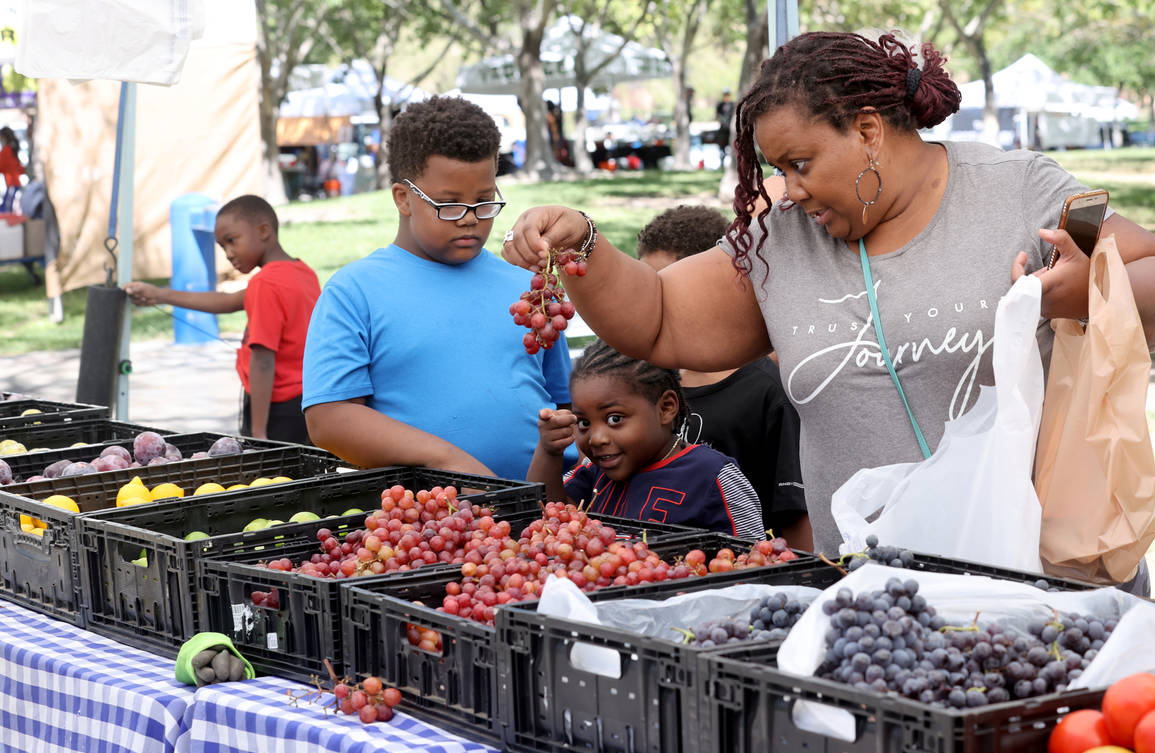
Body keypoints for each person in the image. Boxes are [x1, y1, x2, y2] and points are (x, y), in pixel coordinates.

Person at [501, 32, 1155, 595]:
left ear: (867, 131)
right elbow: (656, 319)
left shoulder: (1025, 188)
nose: (790, 190)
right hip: (873, 600)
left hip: (1041, 585)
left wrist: (1092, 291)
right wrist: (582, 240)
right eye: (778, 168)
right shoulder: (781, 239)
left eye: (800, 163)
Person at [302, 96, 572, 480]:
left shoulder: (528, 289)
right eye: (449, 205)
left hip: (541, 517)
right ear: (403, 198)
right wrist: (448, 461)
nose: (470, 220)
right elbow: (328, 419)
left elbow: (564, 402)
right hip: (427, 525)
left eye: (483, 202)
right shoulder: (354, 291)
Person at [637, 205, 812, 550]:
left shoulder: (766, 389)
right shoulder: (641, 379)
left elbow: (794, 515)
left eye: (664, 287)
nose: (650, 301)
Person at [124, 195, 321, 444]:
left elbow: (262, 360)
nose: (228, 253)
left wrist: (260, 435)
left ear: (263, 231)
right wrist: (159, 294)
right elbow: (227, 301)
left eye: (232, 241)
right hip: (307, 402)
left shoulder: (265, 283)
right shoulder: (302, 272)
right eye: (222, 246)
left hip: (275, 409)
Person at [529, 340, 765, 541]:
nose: (597, 438)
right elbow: (545, 519)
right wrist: (548, 452)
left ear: (665, 408)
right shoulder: (594, 473)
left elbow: (755, 564)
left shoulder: (713, 476)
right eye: (584, 423)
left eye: (614, 418)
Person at [0, 127, 24, 213]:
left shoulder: (6, 150)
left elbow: (1, 166)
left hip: (12, 183)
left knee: (6, 209)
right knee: (5, 206)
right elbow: (20, 169)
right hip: (13, 183)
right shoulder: (12, 150)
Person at [714, 90, 734, 169]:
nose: (727, 96)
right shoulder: (720, 105)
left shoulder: (732, 105)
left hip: (730, 129)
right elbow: (717, 115)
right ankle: (722, 163)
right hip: (723, 129)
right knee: (721, 147)